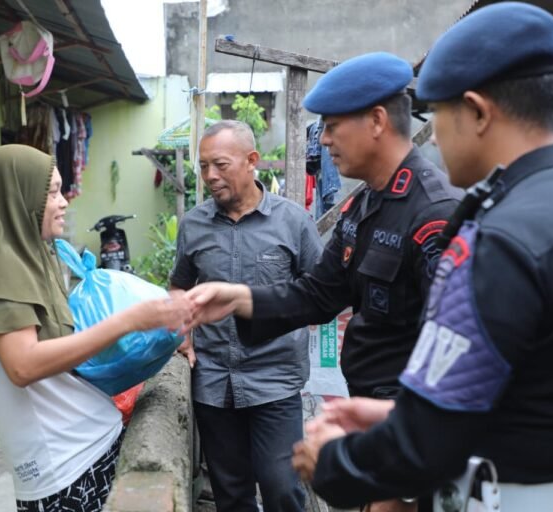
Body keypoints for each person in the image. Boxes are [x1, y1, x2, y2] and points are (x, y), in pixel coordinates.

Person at [288, 3, 553, 511]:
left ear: (478, 112)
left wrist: (334, 462)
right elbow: (540, 397)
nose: (435, 135)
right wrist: (391, 417)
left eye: (439, 115)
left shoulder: (495, 241)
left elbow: (427, 444)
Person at [185, 53, 461, 511]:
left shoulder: (434, 213)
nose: (325, 140)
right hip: (370, 412)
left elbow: (453, 354)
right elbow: (318, 294)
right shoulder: (364, 207)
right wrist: (238, 299)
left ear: (376, 121)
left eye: (332, 126)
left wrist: (406, 472)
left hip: (410, 424)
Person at [0, 144, 192, 512]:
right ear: (19, 195)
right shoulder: (0, 270)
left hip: (84, 446)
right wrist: (128, 321)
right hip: (64, 465)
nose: (63, 203)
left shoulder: (31, 257)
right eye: (52, 192)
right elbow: (23, 366)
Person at [170, 120, 323, 512]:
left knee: (282, 489)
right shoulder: (194, 225)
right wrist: (182, 332)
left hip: (275, 380)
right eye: (203, 167)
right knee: (230, 495)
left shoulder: (293, 222)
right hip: (214, 382)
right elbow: (179, 286)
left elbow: (320, 293)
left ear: (252, 160)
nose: (210, 176)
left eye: (220, 164)